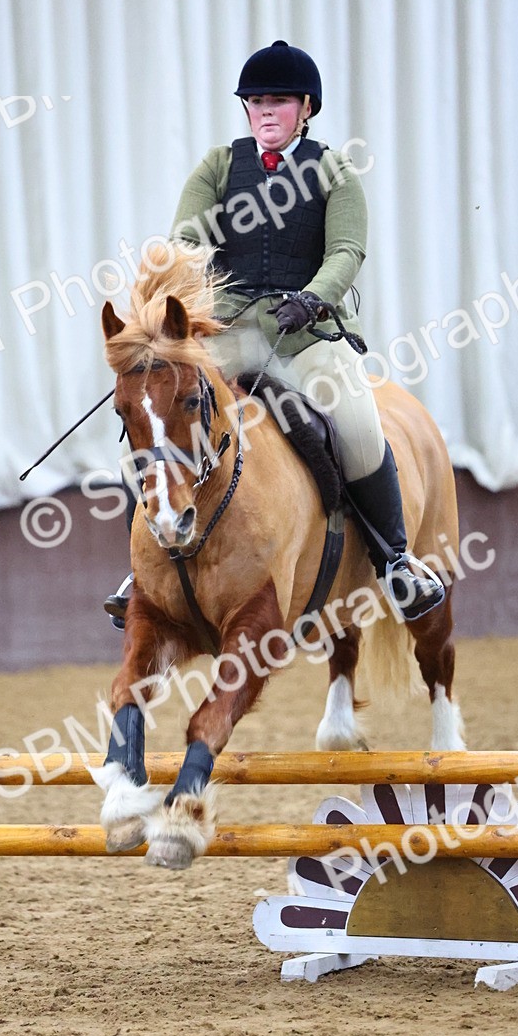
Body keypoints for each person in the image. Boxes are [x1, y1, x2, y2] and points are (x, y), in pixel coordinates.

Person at [105, 40, 444, 627]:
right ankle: (148, 563)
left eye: (279, 101)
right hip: (231, 333)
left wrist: (313, 297)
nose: (265, 110)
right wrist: (167, 303)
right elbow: (187, 243)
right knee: (160, 413)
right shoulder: (217, 167)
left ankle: (395, 562)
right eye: (256, 101)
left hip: (306, 335)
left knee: (360, 427)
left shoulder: (333, 171)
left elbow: (346, 249)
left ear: (305, 107)